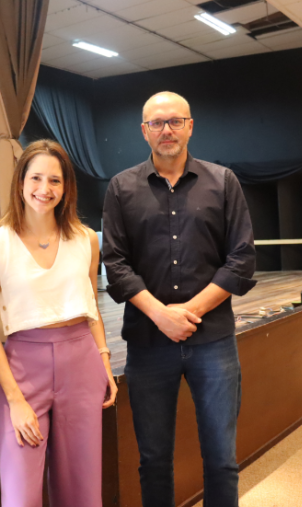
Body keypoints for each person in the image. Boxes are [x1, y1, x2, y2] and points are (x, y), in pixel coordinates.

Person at [102, 91, 256, 507]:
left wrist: (188, 312)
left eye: (174, 121)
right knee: (153, 460)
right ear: (144, 131)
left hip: (214, 342)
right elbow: (115, 263)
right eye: (157, 123)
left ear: (190, 126)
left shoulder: (223, 182)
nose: (166, 130)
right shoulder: (121, 188)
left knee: (221, 460)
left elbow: (241, 258)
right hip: (148, 345)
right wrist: (160, 315)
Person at [0, 139, 118, 507]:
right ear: (20, 182)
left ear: (66, 187)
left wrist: (104, 360)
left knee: (82, 491)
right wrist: (15, 399)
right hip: (23, 368)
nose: (44, 188)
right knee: (20, 496)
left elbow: (90, 307)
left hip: (81, 363)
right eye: (36, 178)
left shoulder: (85, 239)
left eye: (55, 180)